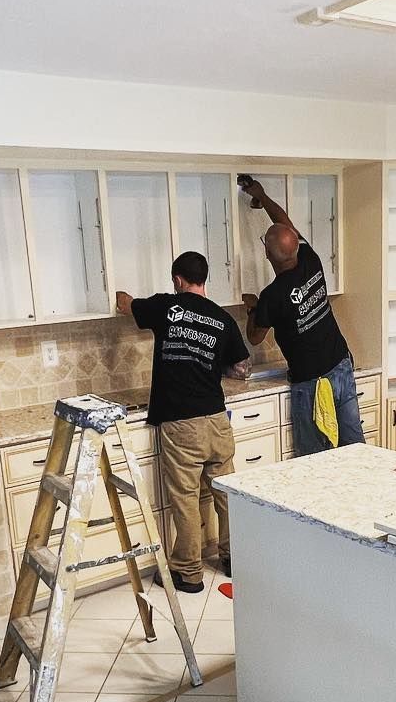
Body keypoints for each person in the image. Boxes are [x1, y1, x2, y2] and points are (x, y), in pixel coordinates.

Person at [116, 250, 251, 593]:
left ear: (178, 280)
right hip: (217, 419)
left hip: (181, 424)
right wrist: (206, 361)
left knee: (186, 498)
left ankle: (189, 573)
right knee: (226, 493)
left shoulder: (164, 306)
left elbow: (126, 305)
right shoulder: (223, 318)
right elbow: (241, 369)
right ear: (205, 279)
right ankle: (234, 559)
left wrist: (119, 294)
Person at [239, 176, 365, 456]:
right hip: (340, 364)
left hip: (310, 381)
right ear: (296, 245)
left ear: (267, 254)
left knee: (312, 457)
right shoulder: (311, 259)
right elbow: (285, 222)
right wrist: (263, 196)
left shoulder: (272, 296)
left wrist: (253, 308)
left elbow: (255, 337)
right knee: (354, 447)